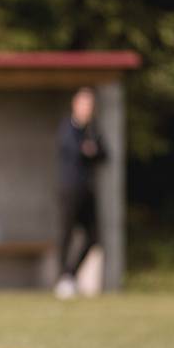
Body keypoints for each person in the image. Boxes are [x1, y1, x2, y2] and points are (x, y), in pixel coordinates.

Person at [55, 87, 107, 299]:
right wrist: (88, 150)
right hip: (69, 190)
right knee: (66, 235)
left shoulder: (92, 130)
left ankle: (70, 275)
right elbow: (76, 151)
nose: (87, 109)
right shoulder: (67, 128)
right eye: (84, 104)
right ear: (75, 105)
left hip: (87, 191)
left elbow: (103, 154)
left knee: (93, 238)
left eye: (90, 105)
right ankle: (63, 280)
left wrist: (91, 150)